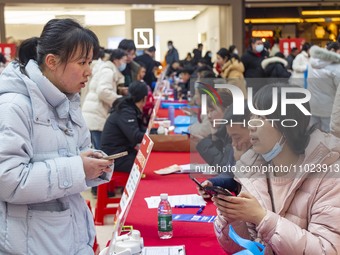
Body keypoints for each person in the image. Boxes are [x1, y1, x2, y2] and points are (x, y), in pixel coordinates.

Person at [0, 18, 114, 254]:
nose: (89, 71)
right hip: (32, 242)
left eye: (90, 62)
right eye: (82, 62)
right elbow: (8, 180)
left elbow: (75, 160)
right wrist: (77, 168)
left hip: (66, 234)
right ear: (52, 62)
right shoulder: (13, 106)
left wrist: (93, 165)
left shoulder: (67, 101)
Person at [213, 83, 340, 255]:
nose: (251, 125)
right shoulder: (253, 169)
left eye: (262, 117)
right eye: (252, 116)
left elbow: (328, 250)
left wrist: (262, 217)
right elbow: (243, 248)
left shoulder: (329, 174)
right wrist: (233, 219)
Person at [82, 49, 127, 150]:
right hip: (96, 115)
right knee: (99, 151)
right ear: (116, 60)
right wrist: (120, 99)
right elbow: (102, 91)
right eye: (124, 61)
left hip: (93, 114)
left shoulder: (107, 69)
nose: (125, 64)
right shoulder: (108, 71)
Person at [101, 81, 148, 173]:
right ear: (145, 98)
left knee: (147, 158)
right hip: (115, 157)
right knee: (148, 164)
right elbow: (135, 136)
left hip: (121, 152)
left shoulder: (128, 107)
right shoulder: (126, 111)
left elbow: (139, 129)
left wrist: (153, 132)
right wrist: (154, 138)